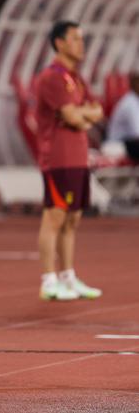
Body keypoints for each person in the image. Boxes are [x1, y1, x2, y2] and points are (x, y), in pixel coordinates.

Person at [35, 20, 103, 301]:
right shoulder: (52, 77)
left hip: (77, 156)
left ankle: (68, 276)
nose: (81, 44)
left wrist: (82, 114)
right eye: (75, 38)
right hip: (59, 157)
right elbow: (74, 116)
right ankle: (48, 280)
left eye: (82, 38)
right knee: (55, 217)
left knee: (72, 219)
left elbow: (97, 110)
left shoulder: (76, 77)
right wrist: (81, 115)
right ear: (59, 43)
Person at [107, 72, 139, 162]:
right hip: (117, 143)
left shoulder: (135, 100)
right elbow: (137, 133)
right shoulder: (130, 103)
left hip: (129, 142)